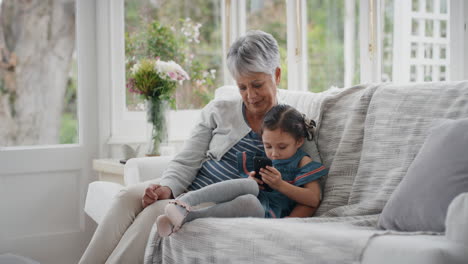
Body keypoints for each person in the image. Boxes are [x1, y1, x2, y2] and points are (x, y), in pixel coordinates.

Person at [79, 30, 315, 264]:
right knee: (126, 197)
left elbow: (308, 185)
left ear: (276, 74)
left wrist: (285, 226)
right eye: (242, 87)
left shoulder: (290, 126)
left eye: (257, 85)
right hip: (188, 188)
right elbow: (186, 160)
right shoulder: (219, 109)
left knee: (154, 213)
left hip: (218, 202)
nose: (250, 96)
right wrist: (168, 187)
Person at [155, 104, 328, 237]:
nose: (274, 153)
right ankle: (184, 202)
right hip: (256, 196)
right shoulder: (265, 158)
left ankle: (188, 217)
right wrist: (253, 179)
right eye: (268, 146)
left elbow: (313, 199)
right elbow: (249, 184)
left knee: (249, 203)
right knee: (249, 185)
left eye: (282, 147)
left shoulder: (302, 161)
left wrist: (280, 185)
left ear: (298, 142)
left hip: (267, 212)